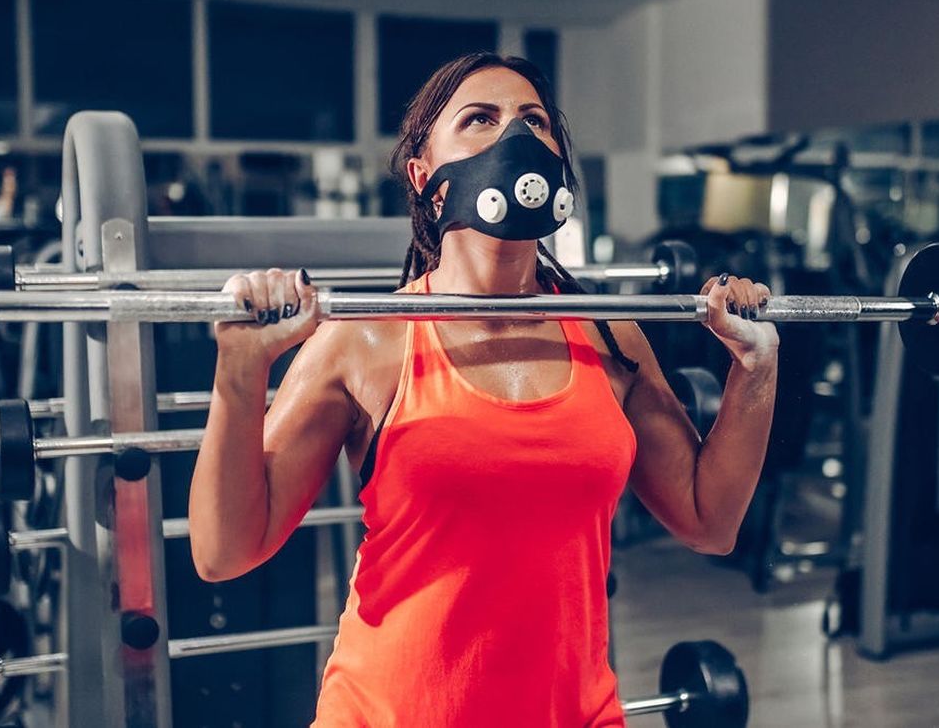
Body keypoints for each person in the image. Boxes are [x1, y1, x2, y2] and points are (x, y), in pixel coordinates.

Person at [189, 53, 778, 727]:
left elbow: (710, 519)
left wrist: (754, 370)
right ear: (425, 178)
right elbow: (225, 549)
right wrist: (240, 371)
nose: (515, 138)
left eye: (534, 121)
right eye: (481, 119)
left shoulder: (609, 334)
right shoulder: (368, 340)